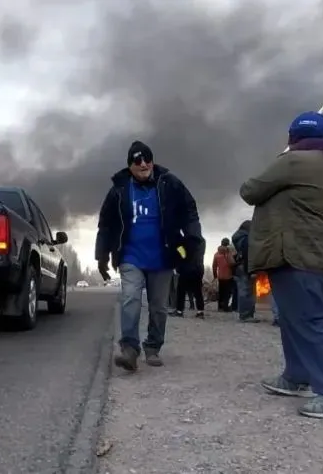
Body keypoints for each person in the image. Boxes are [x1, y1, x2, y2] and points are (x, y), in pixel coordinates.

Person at [239, 111, 323, 419]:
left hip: (300, 256)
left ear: (292, 138)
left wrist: (284, 157)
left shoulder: (294, 162)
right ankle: (297, 377)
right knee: (295, 321)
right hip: (307, 255)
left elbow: (250, 190)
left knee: (314, 323)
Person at [95, 140, 202, 372]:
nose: (143, 164)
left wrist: (193, 241)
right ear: (130, 165)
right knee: (131, 298)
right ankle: (130, 349)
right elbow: (105, 224)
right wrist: (101, 256)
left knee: (159, 306)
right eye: (137, 160)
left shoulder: (170, 183)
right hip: (130, 255)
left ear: (152, 161)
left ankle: (153, 346)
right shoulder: (119, 189)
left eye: (147, 159)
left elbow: (190, 210)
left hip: (162, 255)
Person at [231, 220, 257, 323]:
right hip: (245, 267)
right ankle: (246, 315)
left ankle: (245, 314)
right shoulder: (246, 239)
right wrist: (251, 271)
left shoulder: (237, 238)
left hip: (239, 267)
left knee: (244, 291)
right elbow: (248, 255)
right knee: (247, 291)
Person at [175, 242, 207, 319]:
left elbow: (181, 255)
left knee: (181, 291)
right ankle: (200, 311)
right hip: (198, 269)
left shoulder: (183, 242)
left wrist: (178, 268)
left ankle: (179, 310)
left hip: (186, 269)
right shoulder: (202, 242)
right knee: (198, 292)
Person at [212, 238, 236, 312]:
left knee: (221, 292)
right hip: (228, 276)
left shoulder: (216, 254)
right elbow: (232, 263)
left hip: (220, 276)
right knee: (227, 293)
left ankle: (220, 307)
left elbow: (214, 266)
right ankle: (226, 307)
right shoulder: (228, 253)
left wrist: (215, 275)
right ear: (227, 244)